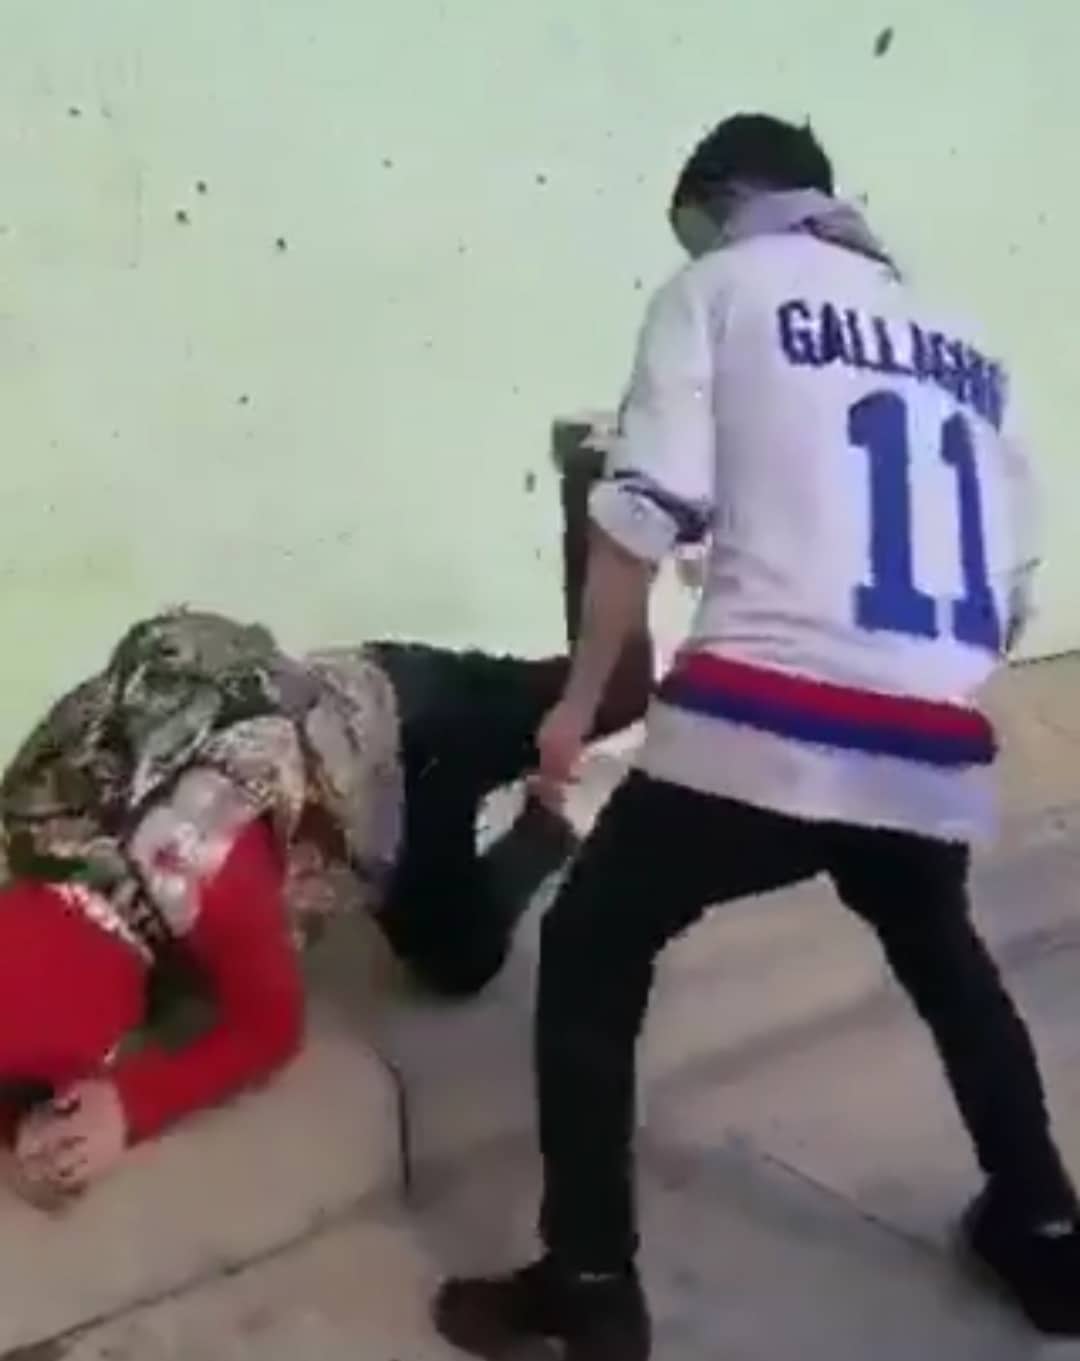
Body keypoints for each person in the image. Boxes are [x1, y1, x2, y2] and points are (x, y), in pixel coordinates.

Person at [432, 113, 1080, 1359]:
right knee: (942, 947)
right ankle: (1046, 1231)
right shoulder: (970, 341)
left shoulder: (716, 290)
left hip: (765, 722)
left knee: (592, 942)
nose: (693, 243)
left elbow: (639, 516)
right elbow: (1008, 591)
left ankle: (589, 1280)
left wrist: (576, 705)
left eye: (693, 221)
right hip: (931, 738)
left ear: (727, 197)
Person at [0, 469, 652, 1207]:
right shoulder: (32, 819)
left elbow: (270, 1029)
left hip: (407, 726)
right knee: (454, 945)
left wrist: (131, 1104)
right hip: (334, 729)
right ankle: (549, 816)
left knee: (611, 701)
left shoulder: (202, 875)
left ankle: (608, 492)